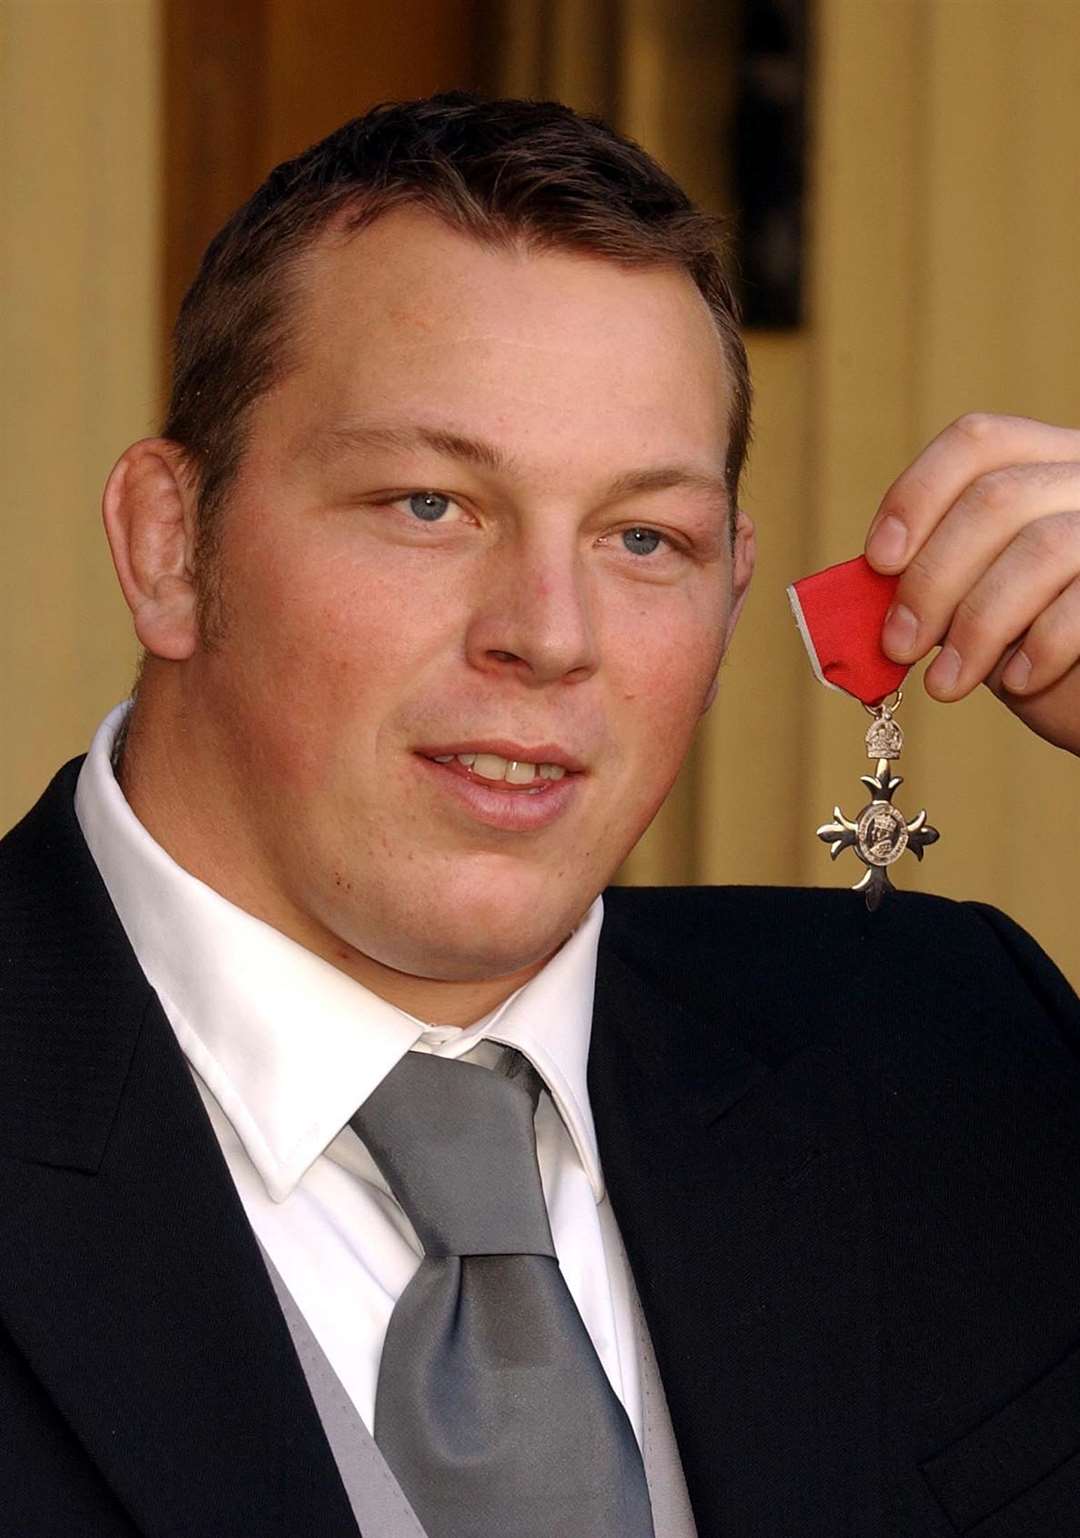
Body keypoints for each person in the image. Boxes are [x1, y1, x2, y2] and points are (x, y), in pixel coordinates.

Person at [2, 91, 1080, 1538]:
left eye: (646, 537)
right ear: (165, 548)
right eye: (430, 504)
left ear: (734, 583)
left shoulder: (952, 1046)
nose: (549, 634)